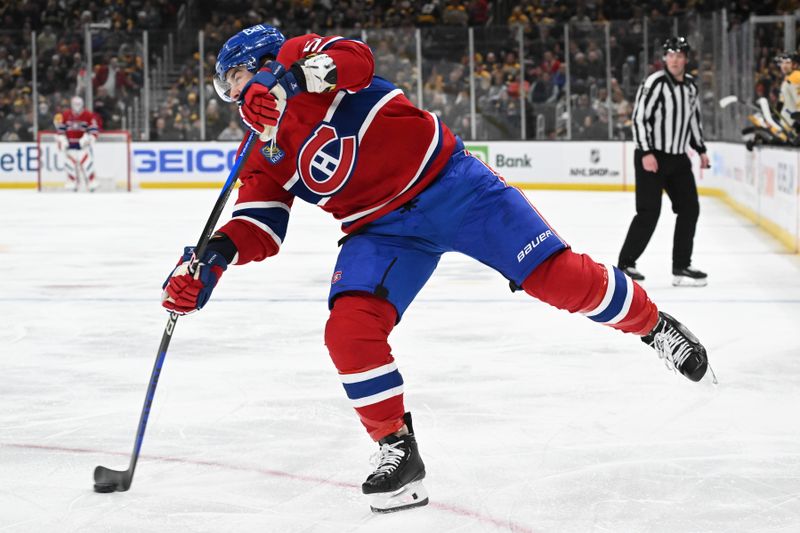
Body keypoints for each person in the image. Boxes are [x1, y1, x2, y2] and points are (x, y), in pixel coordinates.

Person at [161, 24, 712, 514]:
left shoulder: (308, 58)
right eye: (226, 87)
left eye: (235, 78)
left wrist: (285, 80)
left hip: (454, 185)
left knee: (559, 278)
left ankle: (654, 326)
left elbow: (356, 60)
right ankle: (398, 450)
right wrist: (211, 260)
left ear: (263, 62)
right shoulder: (261, 148)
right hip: (380, 230)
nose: (232, 95)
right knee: (348, 329)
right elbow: (260, 224)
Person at [618, 36, 710, 287]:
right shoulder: (655, 82)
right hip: (652, 157)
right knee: (649, 211)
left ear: (686, 59)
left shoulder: (691, 87)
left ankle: (681, 266)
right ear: (665, 58)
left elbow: (694, 120)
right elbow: (639, 119)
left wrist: (700, 150)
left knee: (690, 208)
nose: (675, 60)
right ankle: (626, 264)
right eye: (670, 55)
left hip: (678, 158)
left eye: (679, 55)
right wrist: (646, 152)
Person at [54, 95, 101, 191]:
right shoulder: (66, 115)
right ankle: (72, 181)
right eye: (75, 104)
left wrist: (88, 138)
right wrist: (62, 140)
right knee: (69, 163)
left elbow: (94, 130)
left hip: (83, 146)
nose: (77, 106)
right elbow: (60, 130)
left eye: (79, 104)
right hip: (70, 145)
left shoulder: (88, 115)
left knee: (87, 162)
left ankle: (91, 181)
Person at [776, 52, 800, 129]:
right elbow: (782, 101)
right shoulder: (788, 78)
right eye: (782, 62)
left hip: (793, 124)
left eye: (788, 62)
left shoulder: (796, 76)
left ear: (795, 65)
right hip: (788, 122)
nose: (784, 65)